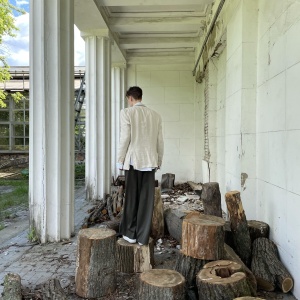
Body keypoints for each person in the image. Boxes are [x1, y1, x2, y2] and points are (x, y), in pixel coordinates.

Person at [117, 86, 164, 246]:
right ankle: (143, 237)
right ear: (140, 97)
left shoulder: (127, 113)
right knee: (146, 201)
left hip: (133, 161)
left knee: (131, 198)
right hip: (150, 161)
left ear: (130, 98)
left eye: (128, 100)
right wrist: (159, 160)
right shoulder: (155, 115)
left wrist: (120, 159)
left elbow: (125, 138)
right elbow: (160, 141)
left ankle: (130, 234)